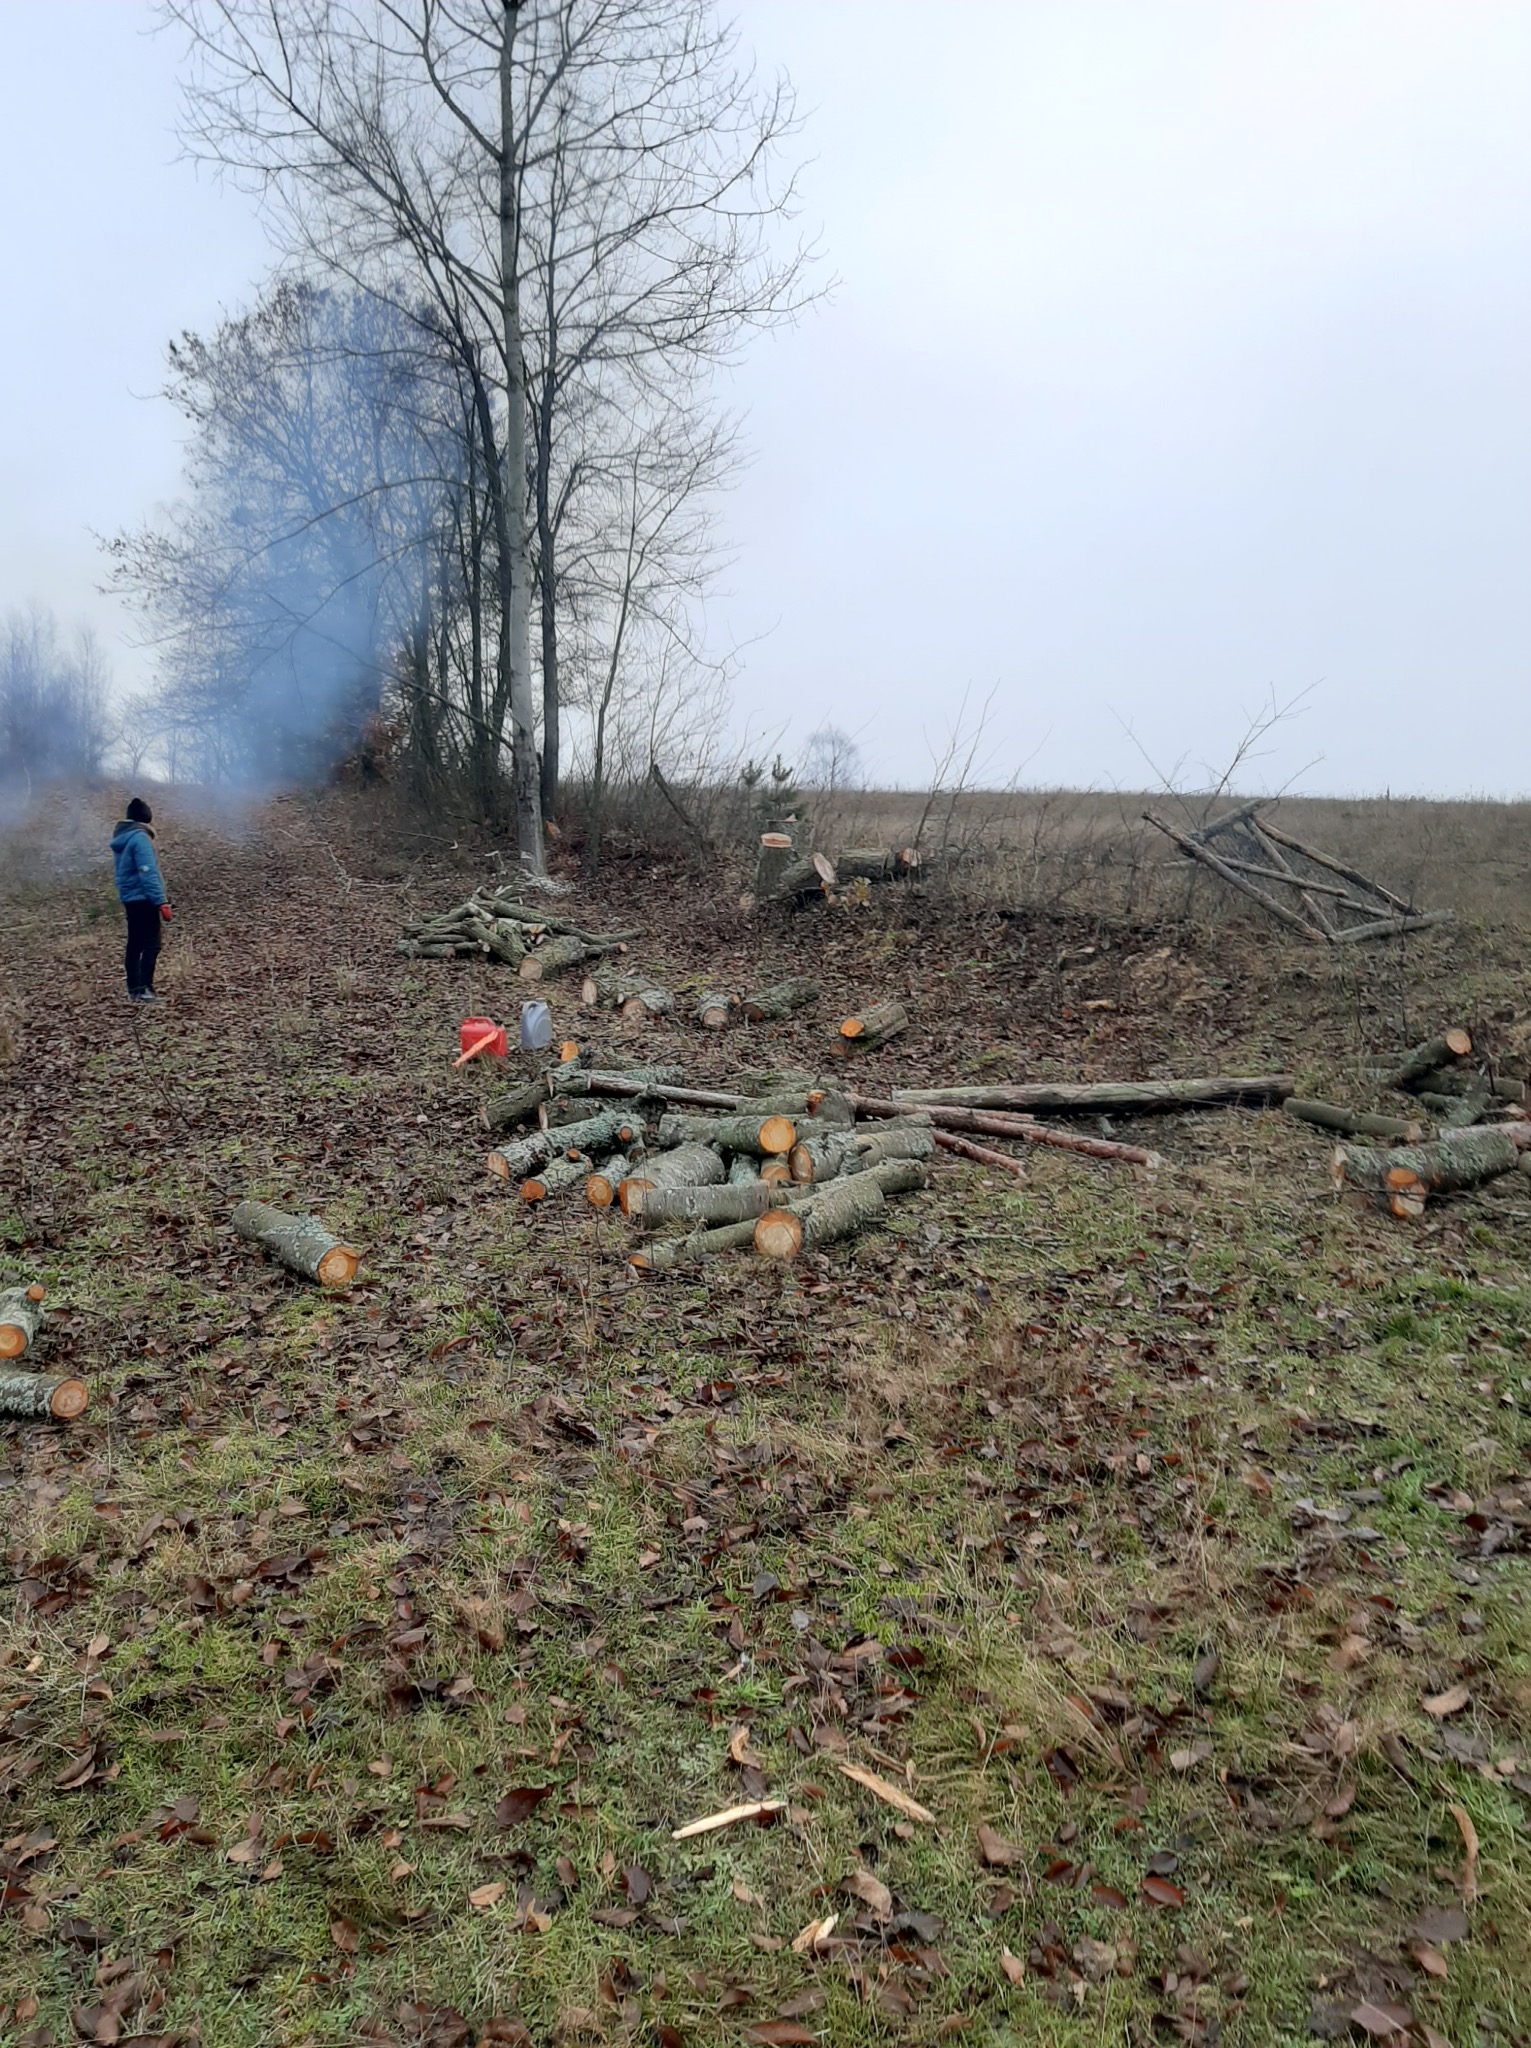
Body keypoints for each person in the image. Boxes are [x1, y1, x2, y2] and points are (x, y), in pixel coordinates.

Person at [110, 797, 171, 1002]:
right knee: (151, 944)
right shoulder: (140, 838)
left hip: (129, 897)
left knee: (134, 943)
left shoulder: (124, 837)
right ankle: (146, 989)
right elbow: (148, 871)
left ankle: (134, 989)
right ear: (146, 819)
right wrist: (161, 901)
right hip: (144, 897)